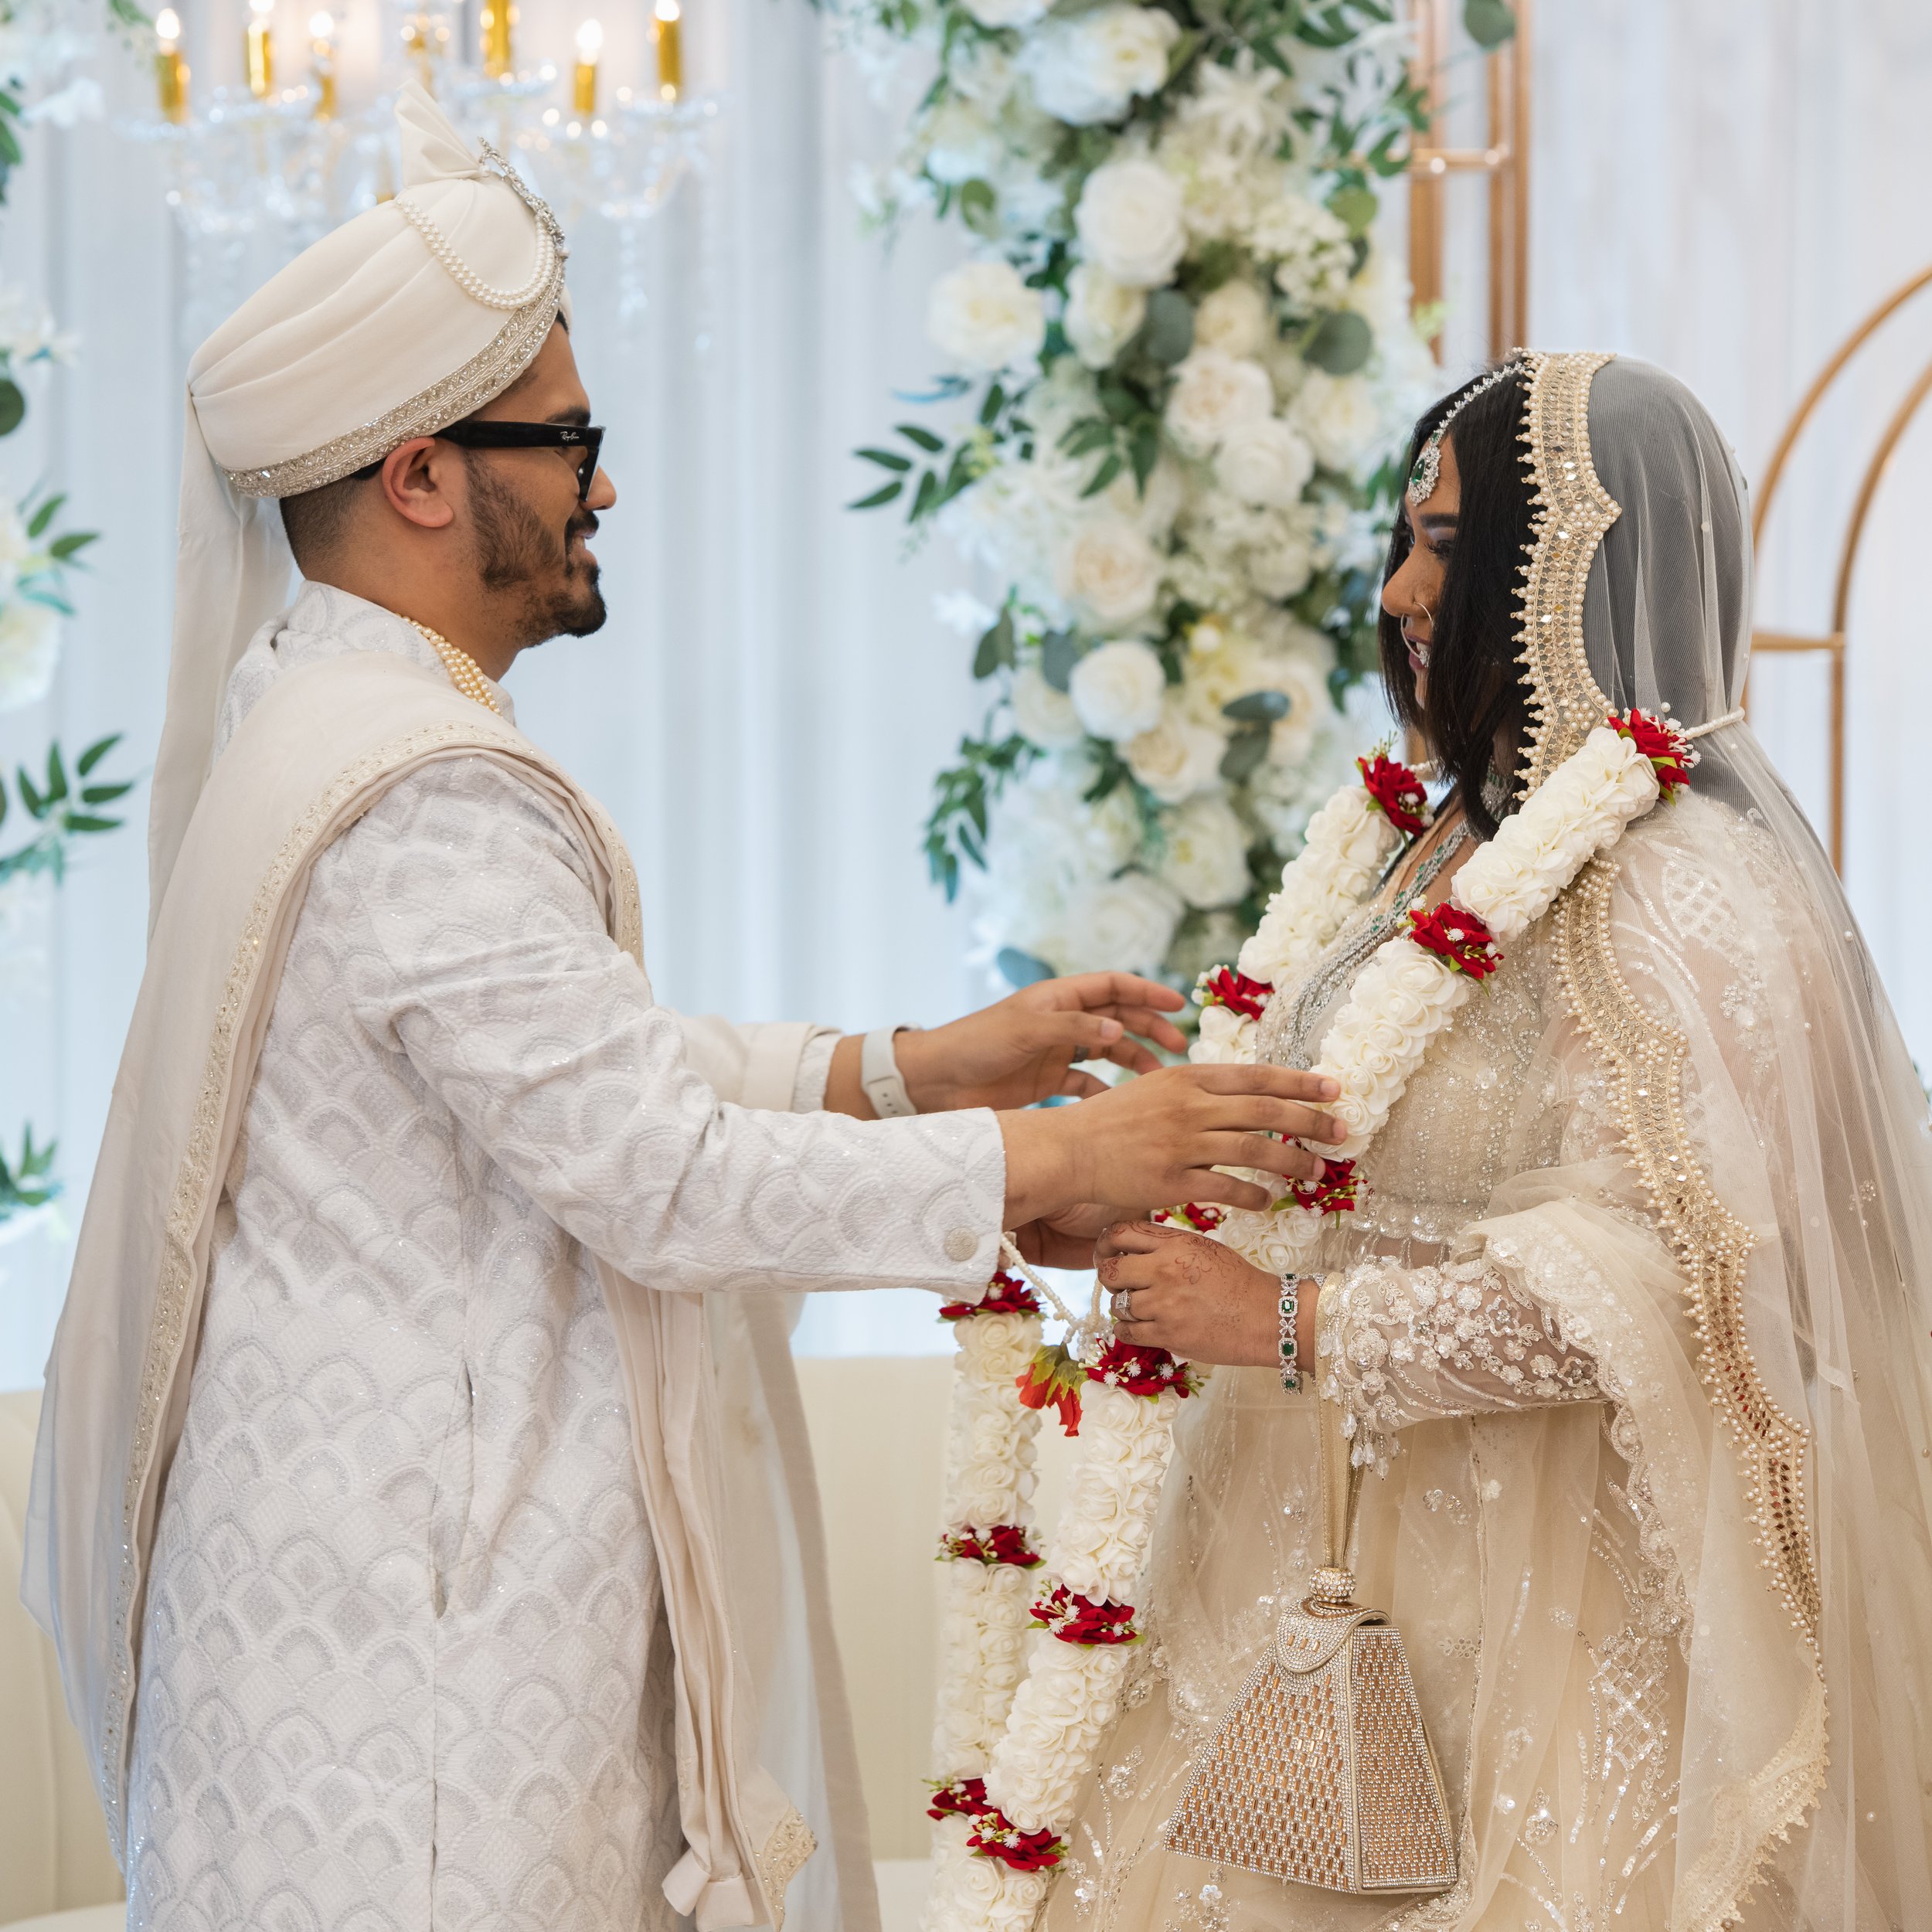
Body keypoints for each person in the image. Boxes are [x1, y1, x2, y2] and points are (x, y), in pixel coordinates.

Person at [19, 87, 1345, 1932]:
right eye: (570, 437)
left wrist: (908, 1070)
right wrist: (1055, 1156)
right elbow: (656, 1171)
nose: (607, 486)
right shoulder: (424, 783)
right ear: (420, 475)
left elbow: (568, 1074)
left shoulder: (313, 716)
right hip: (425, 1690)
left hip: (359, 1636)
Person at [1056, 352, 1932, 1929]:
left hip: (1543, 1603)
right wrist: (1138, 1189)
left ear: (1567, 574)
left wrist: (1288, 1322)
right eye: (1402, 540)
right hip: (1301, 1552)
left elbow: (1669, 1284)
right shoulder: (1425, 843)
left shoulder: (1680, 887)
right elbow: (1347, 1145)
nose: (1399, 592)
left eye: (1447, 550)